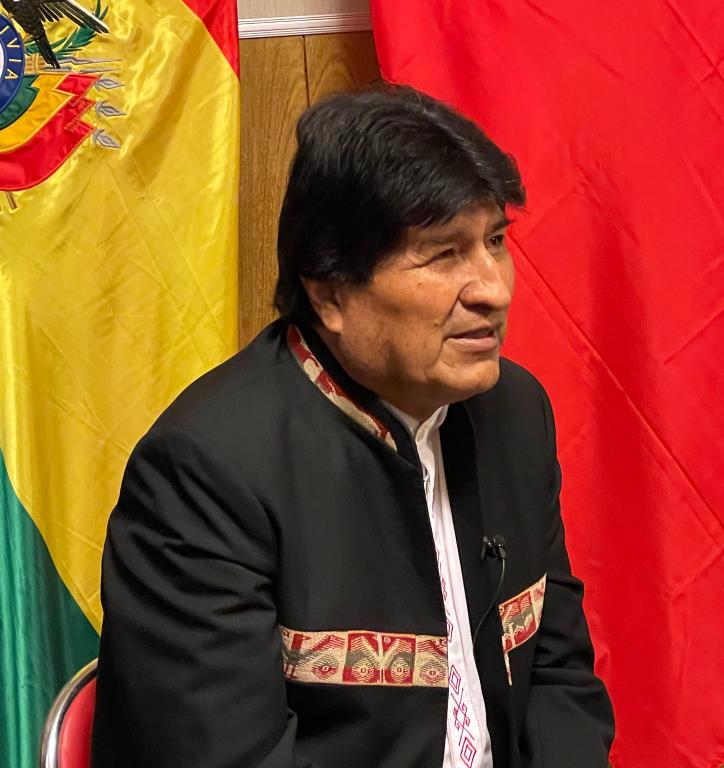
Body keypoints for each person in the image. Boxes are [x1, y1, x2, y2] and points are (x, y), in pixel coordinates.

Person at [91, 85, 614, 768]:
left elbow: (558, 679)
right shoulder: (205, 472)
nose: (495, 288)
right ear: (330, 292)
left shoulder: (514, 414)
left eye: (494, 241)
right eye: (443, 253)